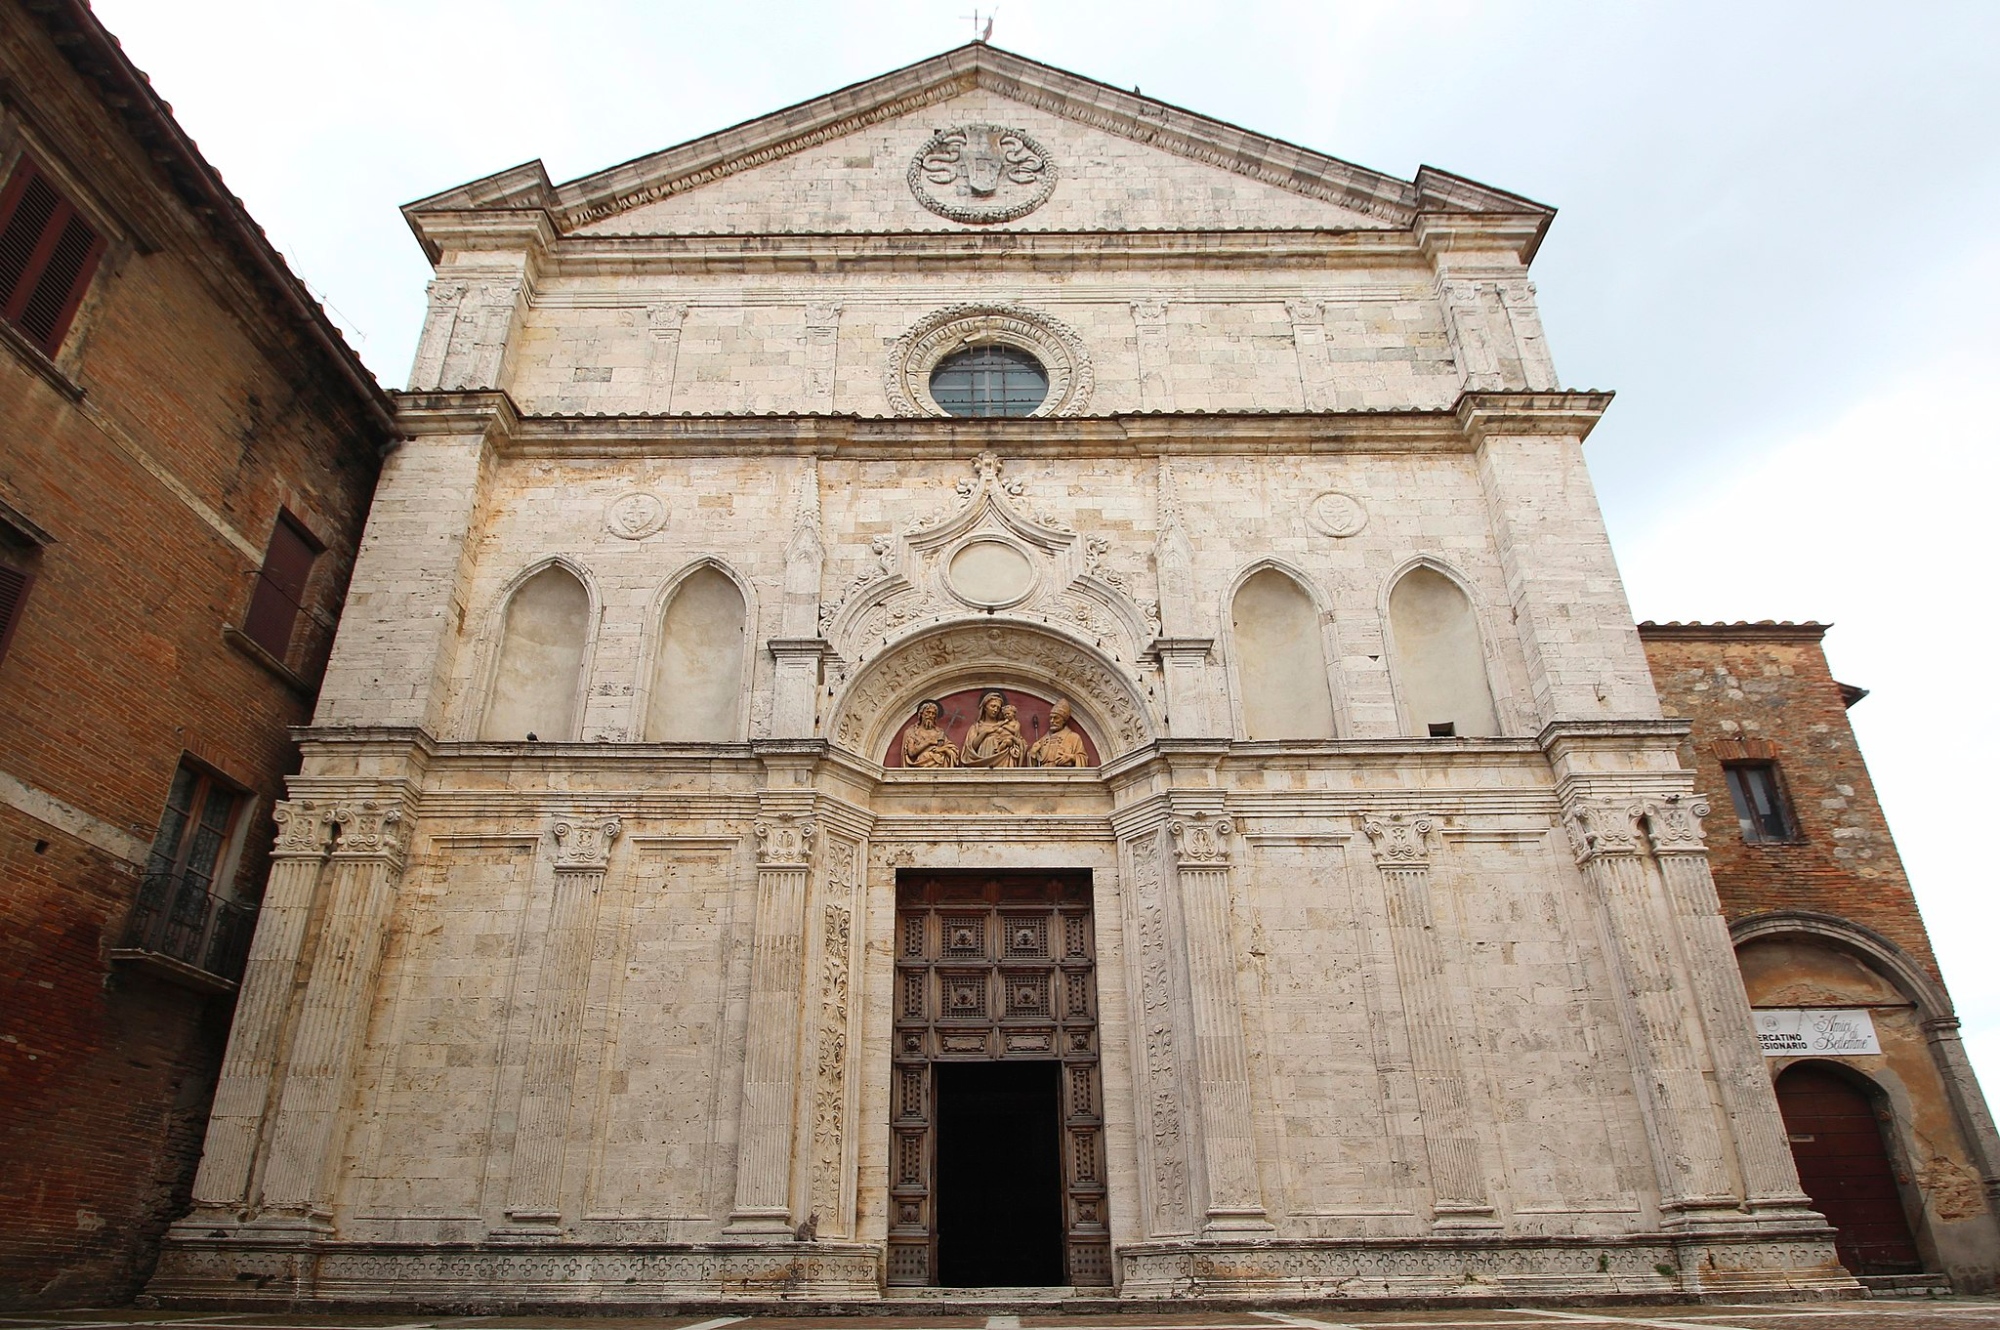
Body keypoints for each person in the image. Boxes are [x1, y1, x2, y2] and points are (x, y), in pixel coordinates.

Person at [961, 690, 1026, 767]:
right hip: (983, 756)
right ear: (985, 707)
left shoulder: (1005, 725)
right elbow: (972, 747)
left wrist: (1010, 741)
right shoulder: (977, 726)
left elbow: (1019, 741)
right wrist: (985, 732)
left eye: (998, 708)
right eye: (993, 706)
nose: (995, 710)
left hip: (1003, 759)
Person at [1026, 698, 1090, 768]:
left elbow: (1083, 758)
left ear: (1064, 720)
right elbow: (1034, 766)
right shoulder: (1043, 740)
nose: (1052, 721)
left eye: (1056, 718)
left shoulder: (1074, 738)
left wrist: (1071, 757)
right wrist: (1033, 753)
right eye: (1051, 718)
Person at [901, 700, 960, 768]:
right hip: (922, 763)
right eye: (928, 712)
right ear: (921, 714)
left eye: (933, 713)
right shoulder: (912, 732)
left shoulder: (939, 732)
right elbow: (911, 753)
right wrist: (928, 742)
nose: (930, 715)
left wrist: (943, 749)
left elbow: (951, 750)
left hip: (940, 764)